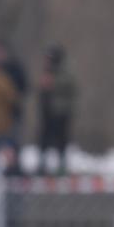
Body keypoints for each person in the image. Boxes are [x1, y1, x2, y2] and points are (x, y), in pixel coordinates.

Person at [37, 45, 76, 176]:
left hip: (60, 112)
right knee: (44, 137)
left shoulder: (64, 71)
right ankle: (42, 164)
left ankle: (62, 165)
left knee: (61, 139)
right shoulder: (46, 71)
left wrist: (53, 83)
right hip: (47, 111)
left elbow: (70, 86)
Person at [0, 41, 28, 174]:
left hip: (12, 113)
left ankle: (14, 168)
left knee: (12, 142)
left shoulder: (14, 68)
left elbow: (22, 88)